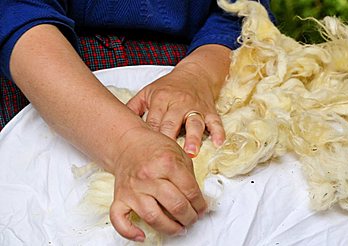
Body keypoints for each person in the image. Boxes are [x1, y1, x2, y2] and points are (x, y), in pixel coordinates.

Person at [0, 0, 274, 242]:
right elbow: (16, 12)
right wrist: (126, 144)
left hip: (198, 59)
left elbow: (241, 12)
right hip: (48, 63)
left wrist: (197, 75)